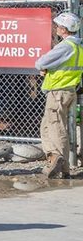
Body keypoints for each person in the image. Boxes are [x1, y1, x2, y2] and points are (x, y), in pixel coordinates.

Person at [35, 10, 83, 180]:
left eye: (58, 26)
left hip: (58, 92)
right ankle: (58, 162)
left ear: (64, 29)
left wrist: (45, 68)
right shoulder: (78, 46)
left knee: (56, 127)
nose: (56, 28)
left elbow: (41, 62)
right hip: (68, 90)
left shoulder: (65, 46)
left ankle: (58, 159)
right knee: (47, 126)